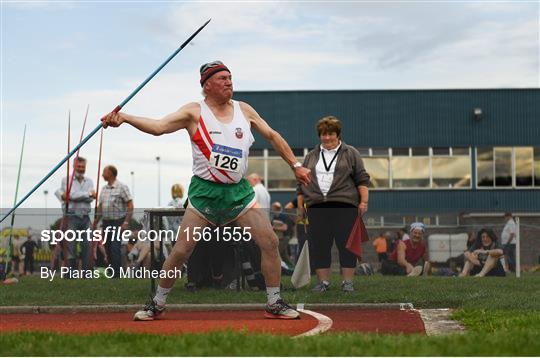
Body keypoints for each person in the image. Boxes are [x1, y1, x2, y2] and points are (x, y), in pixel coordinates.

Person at [102, 60, 311, 320]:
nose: (229, 82)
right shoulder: (194, 111)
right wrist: (124, 117)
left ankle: (274, 301)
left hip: (238, 192)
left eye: (230, 77)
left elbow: (272, 135)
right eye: (222, 78)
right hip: (204, 193)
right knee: (181, 250)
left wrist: (295, 164)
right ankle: (157, 303)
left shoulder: (244, 110)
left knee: (269, 241)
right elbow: (158, 127)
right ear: (207, 85)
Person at [297, 115, 370, 292]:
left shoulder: (351, 153)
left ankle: (347, 282)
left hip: (344, 205)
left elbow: (362, 178)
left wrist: (364, 201)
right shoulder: (311, 155)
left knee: (347, 245)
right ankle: (323, 283)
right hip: (316, 206)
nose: (327, 137)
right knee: (320, 245)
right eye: (323, 134)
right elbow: (301, 183)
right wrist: (301, 207)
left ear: (338, 134)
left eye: (331, 134)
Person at [54, 157, 95, 270]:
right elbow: (70, 195)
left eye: (83, 166)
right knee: (70, 246)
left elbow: (91, 199)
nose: (81, 168)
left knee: (87, 245)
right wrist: (87, 195)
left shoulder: (89, 181)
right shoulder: (66, 180)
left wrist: (78, 196)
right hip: (71, 216)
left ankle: (87, 273)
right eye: (79, 166)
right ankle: (70, 273)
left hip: (85, 216)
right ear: (73, 166)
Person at [93, 165, 134, 278]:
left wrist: (126, 222)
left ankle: (117, 274)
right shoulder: (104, 189)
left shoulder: (122, 187)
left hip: (117, 222)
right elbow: (101, 207)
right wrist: (96, 221)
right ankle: (111, 271)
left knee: (115, 247)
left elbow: (130, 205)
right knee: (107, 247)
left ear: (111, 173)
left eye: (104, 172)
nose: (102, 174)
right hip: (106, 222)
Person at [271, 201, 294, 268]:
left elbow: (284, 228)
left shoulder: (284, 216)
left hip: (285, 237)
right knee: (284, 256)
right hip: (279, 238)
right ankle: (292, 268)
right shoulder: (275, 218)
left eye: (273, 209)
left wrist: (273, 227)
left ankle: (281, 268)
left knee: (277, 253)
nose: (272, 210)